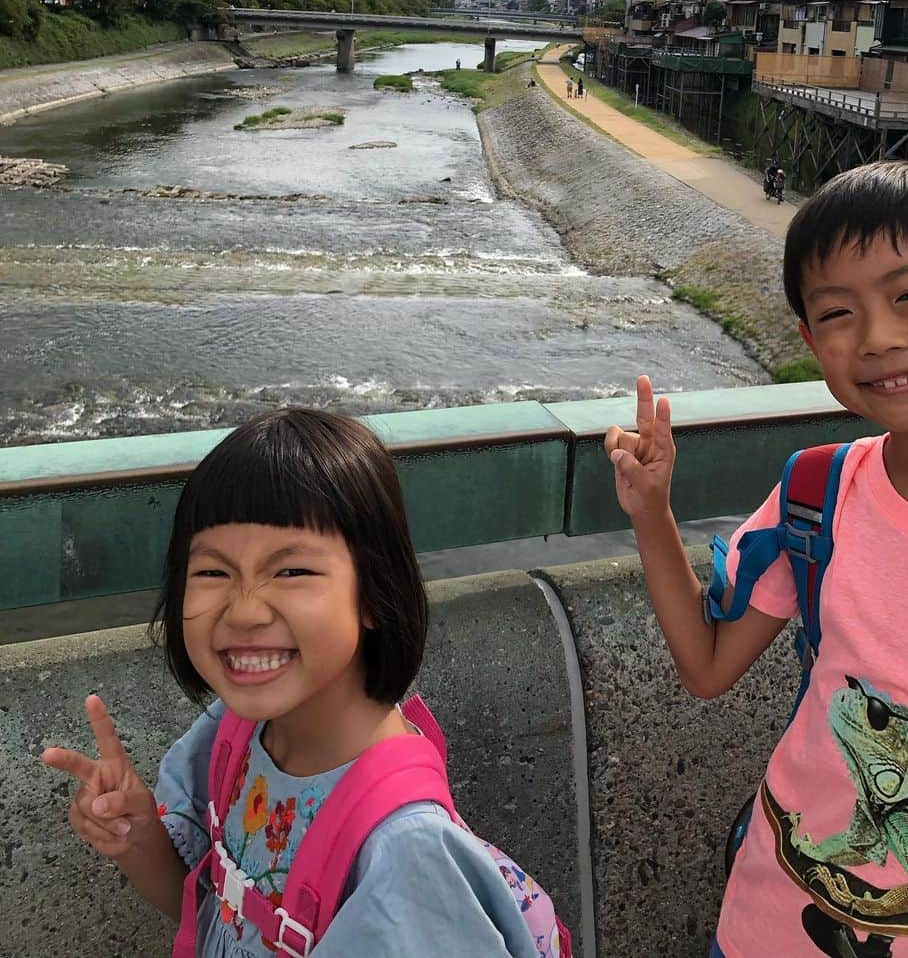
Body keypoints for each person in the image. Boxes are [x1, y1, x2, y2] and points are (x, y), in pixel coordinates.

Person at [605, 162, 908, 957]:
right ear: (812, 341)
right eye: (838, 313)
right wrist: (652, 510)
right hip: (770, 924)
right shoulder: (817, 494)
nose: (880, 338)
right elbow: (708, 667)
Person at [42, 408, 552, 956]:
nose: (243, 611)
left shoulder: (406, 853)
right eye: (213, 572)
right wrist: (138, 834)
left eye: (291, 572)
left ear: (376, 593)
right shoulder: (235, 732)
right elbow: (224, 915)